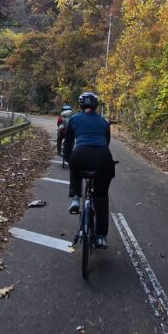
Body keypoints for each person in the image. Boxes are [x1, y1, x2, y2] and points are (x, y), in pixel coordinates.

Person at [62, 92, 114, 248]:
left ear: (81, 105)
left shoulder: (74, 119)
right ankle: (100, 237)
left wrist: (68, 157)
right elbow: (107, 141)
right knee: (102, 198)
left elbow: (68, 143)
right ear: (96, 106)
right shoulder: (104, 122)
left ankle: (76, 197)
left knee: (74, 164)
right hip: (103, 157)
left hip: (80, 154)